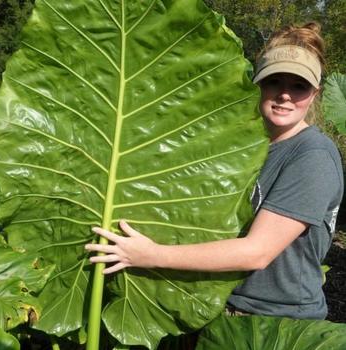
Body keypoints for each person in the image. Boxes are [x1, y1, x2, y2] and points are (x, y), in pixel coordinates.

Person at [85, 22, 344, 320]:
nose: (285, 95)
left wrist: (151, 255)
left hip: (273, 322)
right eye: (275, 82)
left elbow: (256, 252)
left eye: (298, 86)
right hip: (214, 309)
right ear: (257, 83)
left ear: (314, 94)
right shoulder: (240, 146)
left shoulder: (312, 155)